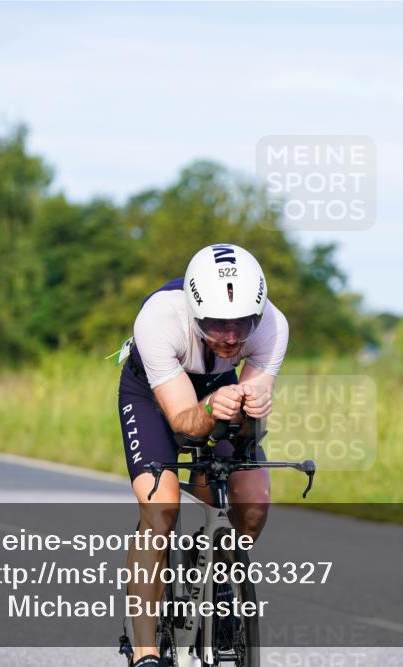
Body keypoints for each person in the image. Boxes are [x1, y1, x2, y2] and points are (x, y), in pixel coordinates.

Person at [118, 243, 288, 667]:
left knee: (252, 503)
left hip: (217, 387)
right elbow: (183, 422)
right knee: (161, 509)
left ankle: (214, 562)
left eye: (242, 324)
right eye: (217, 325)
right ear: (195, 311)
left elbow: (247, 431)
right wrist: (212, 409)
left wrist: (251, 410)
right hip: (154, 396)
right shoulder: (160, 319)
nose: (231, 337)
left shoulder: (271, 326)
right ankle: (145, 650)